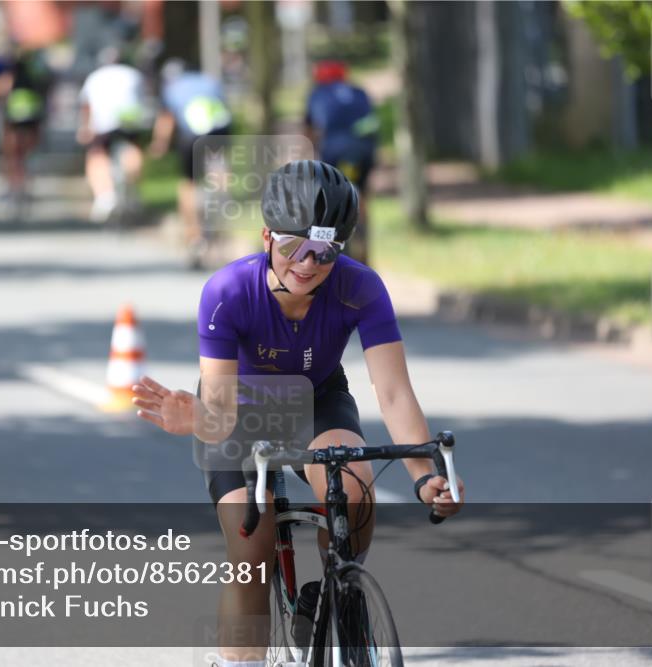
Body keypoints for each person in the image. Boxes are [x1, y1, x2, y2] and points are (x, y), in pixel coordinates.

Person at [133, 160, 465, 665]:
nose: (308, 264)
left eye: (326, 251)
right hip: (236, 411)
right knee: (252, 548)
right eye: (293, 247)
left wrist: (424, 478)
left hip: (316, 399)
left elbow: (394, 392)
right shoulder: (228, 292)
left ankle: (335, 590)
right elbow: (218, 409)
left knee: (354, 491)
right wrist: (195, 419)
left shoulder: (360, 287)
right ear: (266, 236)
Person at [149, 59, 233, 269]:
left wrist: (160, 144)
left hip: (192, 135)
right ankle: (222, 193)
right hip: (219, 130)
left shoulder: (171, 88)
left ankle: (194, 236)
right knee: (218, 165)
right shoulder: (209, 81)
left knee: (188, 182)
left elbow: (167, 120)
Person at [304, 60, 379, 264]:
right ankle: (363, 247)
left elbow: (309, 131)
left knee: (330, 200)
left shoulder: (317, 94)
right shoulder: (359, 92)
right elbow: (372, 124)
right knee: (361, 195)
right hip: (364, 151)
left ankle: (334, 253)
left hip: (335, 152)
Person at [76, 49, 148, 222]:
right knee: (133, 147)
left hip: (104, 122)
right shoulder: (134, 74)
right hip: (129, 120)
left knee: (96, 155)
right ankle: (132, 185)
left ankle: (105, 196)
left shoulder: (94, 77)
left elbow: (86, 106)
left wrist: (85, 128)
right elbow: (143, 99)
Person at [0, 49, 48, 205]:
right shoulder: (34, 78)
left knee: (11, 156)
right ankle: (26, 184)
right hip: (32, 121)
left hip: (13, 121)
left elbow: (0, 99)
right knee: (26, 155)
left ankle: (11, 185)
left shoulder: (7, 79)